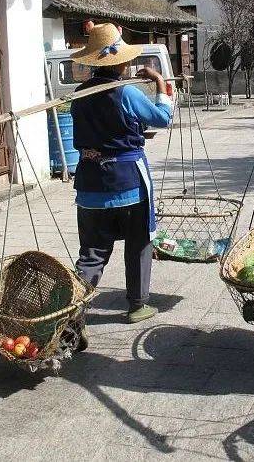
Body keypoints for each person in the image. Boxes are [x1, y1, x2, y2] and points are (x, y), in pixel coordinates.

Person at [69, 22, 172, 328]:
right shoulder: (126, 92)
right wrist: (160, 82)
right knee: (138, 244)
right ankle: (137, 305)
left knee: (92, 253)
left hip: (90, 185)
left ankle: (70, 313)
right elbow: (163, 118)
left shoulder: (78, 94)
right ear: (122, 63)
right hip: (128, 184)